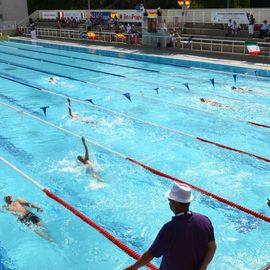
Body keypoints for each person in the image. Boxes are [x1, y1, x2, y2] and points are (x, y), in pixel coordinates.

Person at [124, 183, 216, 270]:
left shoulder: (170, 229)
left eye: (170, 200)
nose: (169, 203)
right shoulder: (205, 221)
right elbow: (212, 248)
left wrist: (133, 268)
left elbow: (150, 255)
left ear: (175, 203)